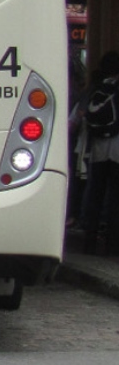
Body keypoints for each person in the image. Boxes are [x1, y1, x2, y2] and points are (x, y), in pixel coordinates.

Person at [79, 50, 119, 255]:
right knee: (115, 197)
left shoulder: (97, 88)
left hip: (98, 149)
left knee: (96, 193)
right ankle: (112, 243)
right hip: (117, 150)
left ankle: (89, 240)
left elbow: (83, 115)